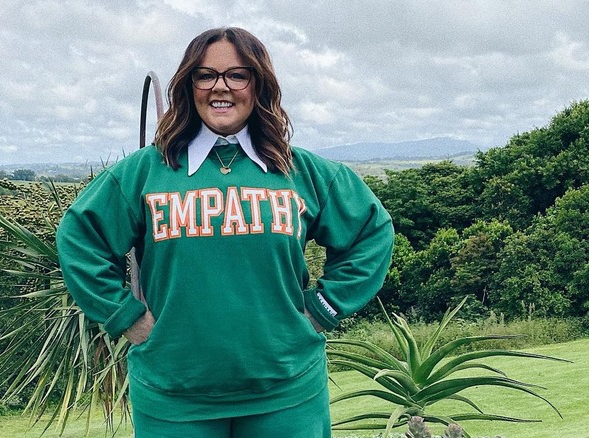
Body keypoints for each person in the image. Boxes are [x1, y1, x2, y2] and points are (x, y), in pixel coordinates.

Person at [56, 27, 395, 438]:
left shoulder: (300, 172)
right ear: (189, 85)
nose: (221, 87)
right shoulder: (146, 172)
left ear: (258, 85)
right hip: (173, 396)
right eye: (205, 75)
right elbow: (79, 238)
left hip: (287, 391)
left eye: (237, 75)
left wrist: (323, 307)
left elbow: (371, 232)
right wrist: (124, 315)